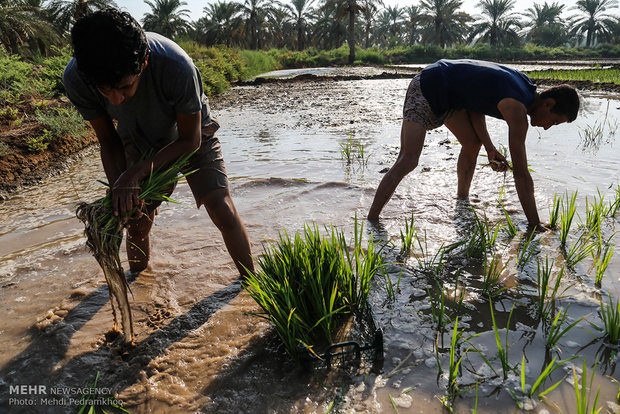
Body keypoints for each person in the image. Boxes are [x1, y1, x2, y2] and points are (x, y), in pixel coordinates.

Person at [63, 8, 254, 277]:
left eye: (125, 87)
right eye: (105, 91)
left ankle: (253, 286)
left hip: (191, 131)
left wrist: (136, 172)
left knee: (220, 207)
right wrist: (121, 189)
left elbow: (191, 140)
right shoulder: (77, 78)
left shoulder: (177, 66)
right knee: (137, 223)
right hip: (137, 137)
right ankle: (139, 284)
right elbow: (108, 140)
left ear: (144, 63)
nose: (116, 100)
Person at [367, 59, 580, 228]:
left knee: (472, 143)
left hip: (453, 99)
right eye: (553, 121)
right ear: (548, 103)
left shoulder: (525, 86)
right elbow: (521, 174)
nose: (546, 127)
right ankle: (372, 220)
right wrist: (535, 224)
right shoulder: (517, 110)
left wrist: (489, 148)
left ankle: (462, 201)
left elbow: (476, 102)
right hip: (428, 87)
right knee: (408, 159)